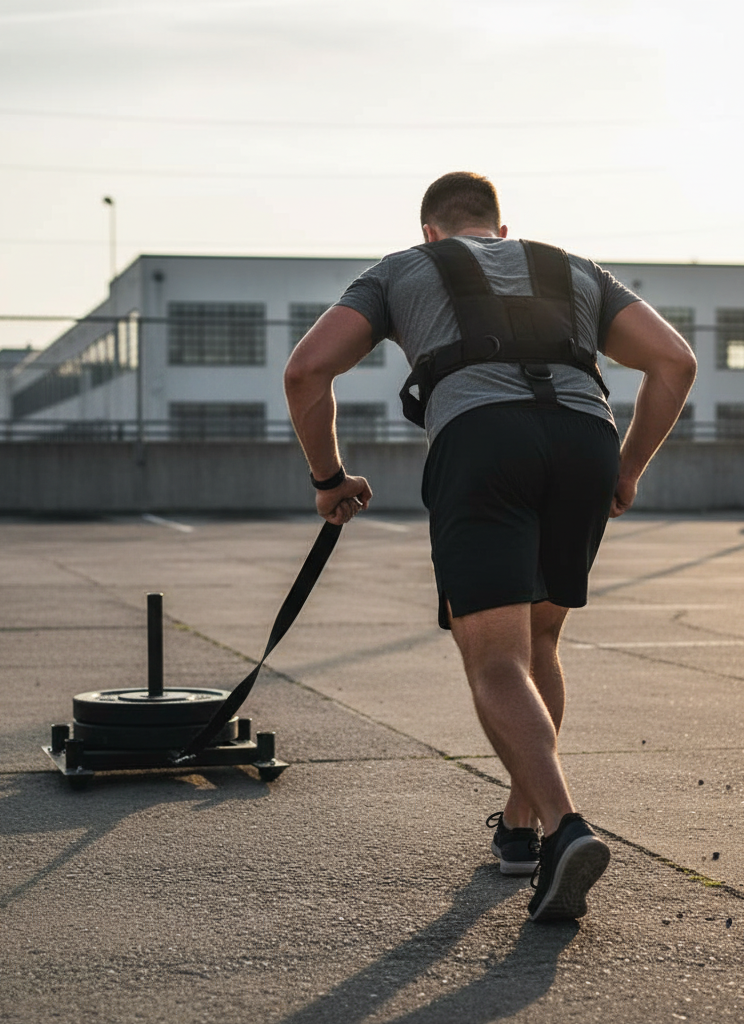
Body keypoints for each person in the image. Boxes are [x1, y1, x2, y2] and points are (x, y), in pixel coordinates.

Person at [284, 171, 696, 922]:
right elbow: (675, 361)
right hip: (586, 436)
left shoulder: (401, 269)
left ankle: (565, 827)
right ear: (502, 231)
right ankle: (519, 826)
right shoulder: (573, 267)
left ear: (430, 231)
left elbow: (307, 370)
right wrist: (627, 469)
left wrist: (329, 478)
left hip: (482, 441)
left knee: (496, 659)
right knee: (541, 641)